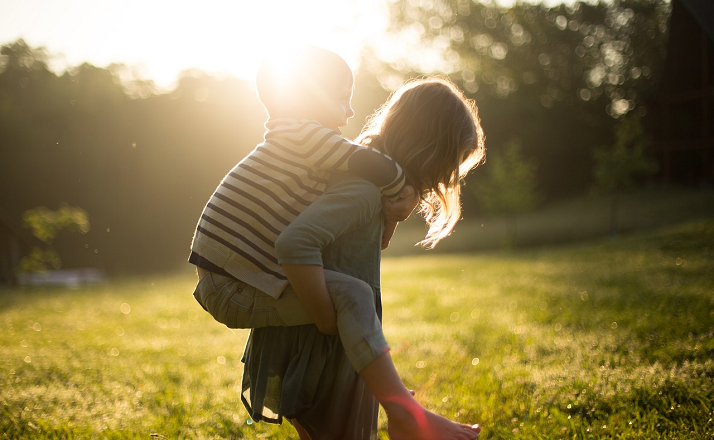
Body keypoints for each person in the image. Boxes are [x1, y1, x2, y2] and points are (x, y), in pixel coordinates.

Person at [242, 77, 486, 440]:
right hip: (319, 339)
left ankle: (405, 411)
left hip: (336, 336)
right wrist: (326, 318)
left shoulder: (372, 188)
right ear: (430, 153)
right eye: (448, 165)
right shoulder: (363, 190)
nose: (444, 179)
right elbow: (295, 242)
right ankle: (407, 415)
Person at [189, 45, 416, 377]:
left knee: (349, 295)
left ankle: (374, 382)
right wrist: (403, 193)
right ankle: (382, 387)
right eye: (341, 98)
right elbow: (373, 164)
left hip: (227, 281)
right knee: (353, 297)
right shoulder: (304, 136)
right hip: (230, 287)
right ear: (307, 98)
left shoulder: (295, 140)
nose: (350, 111)